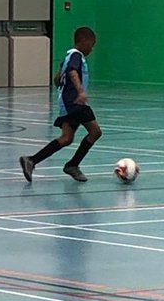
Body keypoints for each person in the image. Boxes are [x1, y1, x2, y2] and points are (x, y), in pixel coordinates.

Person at [19, 26, 102, 183]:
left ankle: (31, 160)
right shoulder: (76, 55)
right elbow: (71, 71)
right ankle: (72, 165)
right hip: (75, 103)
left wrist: (63, 92)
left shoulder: (68, 56)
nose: (92, 48)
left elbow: (57, 79)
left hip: (68, 103)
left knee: (66, 138)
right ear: (85, 41)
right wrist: (80, 91)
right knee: (95, 132)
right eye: (92, 44)